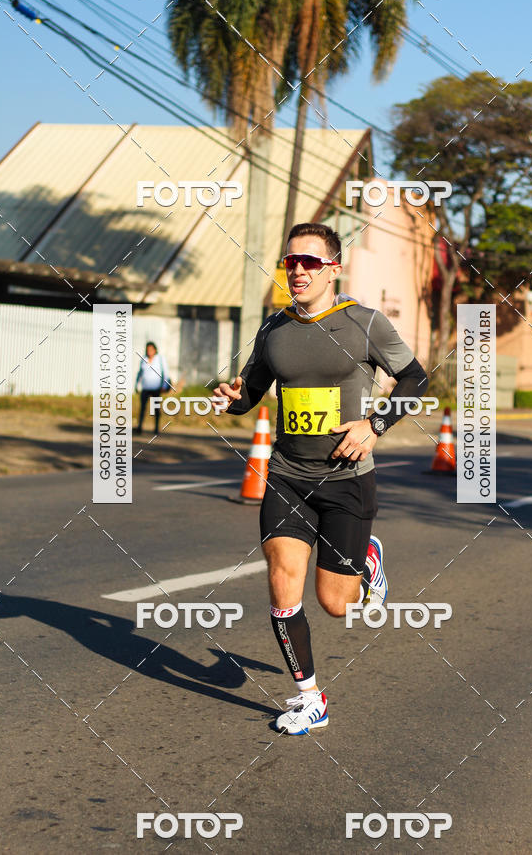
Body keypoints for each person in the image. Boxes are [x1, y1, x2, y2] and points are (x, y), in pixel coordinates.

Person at [213, 222, 428, 734]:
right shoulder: (274, 329)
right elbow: (253, 393)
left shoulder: (365, 323)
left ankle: (368, 559)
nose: (299, 270)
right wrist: (232, 400)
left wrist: (375, 425)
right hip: (287, 475)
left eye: (310, 262)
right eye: (291, 261)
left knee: (335, 603)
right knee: (283, 583)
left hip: (347, 478)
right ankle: (310, 697)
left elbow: (416, 376)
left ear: (334, 268)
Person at [135, 341, 169, 434]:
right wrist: (136, 384)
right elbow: (140, 373)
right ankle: (140, 426)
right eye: (148, 350)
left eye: (151, 349)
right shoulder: (143, 359)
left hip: (156, 388)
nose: (149, 351)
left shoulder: (160, 359)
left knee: (156, 408)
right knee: (142, 408)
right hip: (145, 387)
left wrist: (164, 385)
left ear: (155, 350)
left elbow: (165, 373)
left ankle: (156, 428)